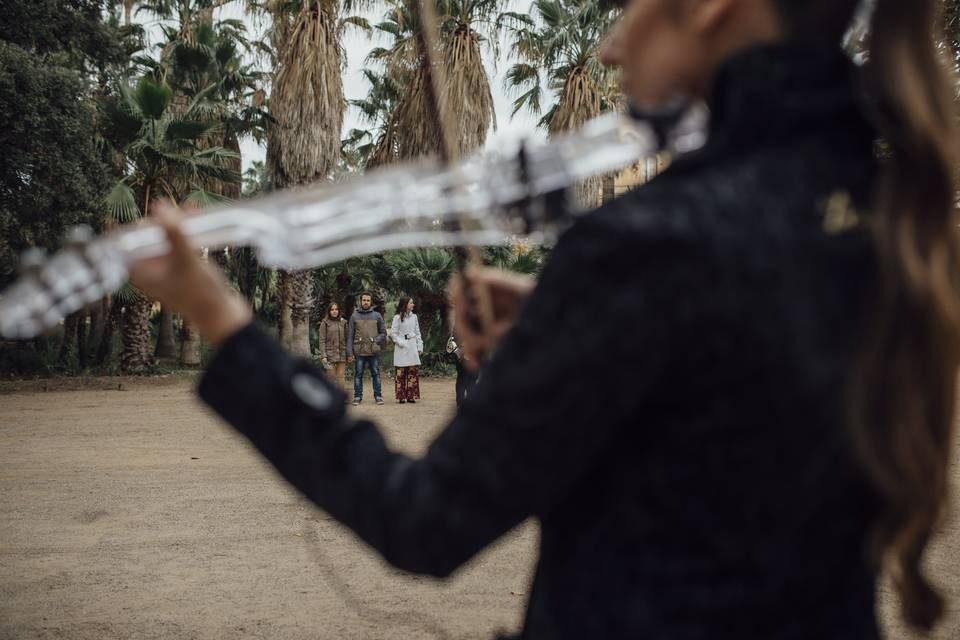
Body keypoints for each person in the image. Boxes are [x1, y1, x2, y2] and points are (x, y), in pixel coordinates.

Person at [132, 0, 959, 636]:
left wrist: (227, 325)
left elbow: (424, 518)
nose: (609, 44)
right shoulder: (891, 212)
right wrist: (572, 315)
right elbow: (736, 362)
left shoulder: (655, 242)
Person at [346, 292, 386, 405]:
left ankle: (378, 396)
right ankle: (357, 397)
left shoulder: (377, 315)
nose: (366, 302)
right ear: (360, 301)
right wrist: (350, 353)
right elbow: (350, 336)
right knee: (358, 374)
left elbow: (383, 333)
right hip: (359, 351)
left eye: (368, 300)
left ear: (370, 302)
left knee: (376, 374)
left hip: (373, 351)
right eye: (364, 300)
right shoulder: (354, 316)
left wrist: (375, 340)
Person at [389, 297, 424, 404]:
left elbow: (417, 333)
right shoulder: (397, 317)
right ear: (405, 304)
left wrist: (419, 346)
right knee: (401, 372)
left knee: (412, 371)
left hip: (413, 346)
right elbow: (393, 334)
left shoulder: (414, 317)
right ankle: (401, 396)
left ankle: (411, 396)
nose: (413, 304)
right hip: (401, 347)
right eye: (411, 303)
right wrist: (402, 343)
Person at [318, 302, 348, 394]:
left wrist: (349, 353)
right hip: (329, 356)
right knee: (330, 377)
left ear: (339, 311)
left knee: (341, 376)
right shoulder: (325, 323)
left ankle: (341, 397)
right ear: (329, 311)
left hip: (342, 354)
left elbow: (347, 338)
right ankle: (329, 396)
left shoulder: (344, 322)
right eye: (332, 309)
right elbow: (322, 340)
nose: (334, 311)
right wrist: (323, 355)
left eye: (336, 309)